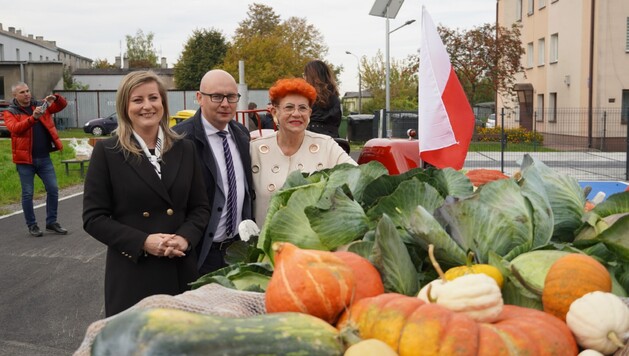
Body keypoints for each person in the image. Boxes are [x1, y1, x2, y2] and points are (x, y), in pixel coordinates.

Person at [82, 71, 211, 317]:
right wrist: (143, 242)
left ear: (162, 103)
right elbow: (93, 218)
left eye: (153, 98)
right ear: (125, 106)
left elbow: (200, 208)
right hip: (133, 273)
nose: (147, 106)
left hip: (180, 269)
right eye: (137, 100)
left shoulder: (186, 148)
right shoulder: (107, 152)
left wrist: (185, 238)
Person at [173, 69, 254, 275]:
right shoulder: (180, 139)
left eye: (232, 97)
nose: (225, 103)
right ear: (199, 98)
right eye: (217, 96)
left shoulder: (242, 134)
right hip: (199, 252)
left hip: (238, 249)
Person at [250, 78, 357, 226]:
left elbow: (357, 176)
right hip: (264, 244)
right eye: (289, 107)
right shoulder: (254, 149)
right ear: (275, 112)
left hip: (312, 243)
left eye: (302, 108)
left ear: (309, 113)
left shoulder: (327, 145)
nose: (296, 114)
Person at [4, 82, 68, 237]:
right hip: (25, 160)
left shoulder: (40, 105)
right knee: (28, 194)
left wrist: (56, 98)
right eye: (22, 92)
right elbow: (15, 129)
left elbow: (61, 106)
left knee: (53, 189)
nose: (26, 94)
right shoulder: (10, 112)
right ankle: (32, 225)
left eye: (27, 91)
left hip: (44, 158)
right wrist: (33, 118)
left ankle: (51, 222)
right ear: (15, 95)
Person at [303, 60, 342, 138]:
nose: (303, 77)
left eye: (305, 75)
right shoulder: (334, 98)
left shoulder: (307, 98)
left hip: (311, 141)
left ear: (310, 77)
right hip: (333, 141)